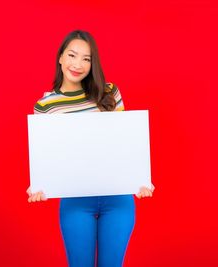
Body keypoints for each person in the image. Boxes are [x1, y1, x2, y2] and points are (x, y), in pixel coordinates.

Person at [26, 29, 155, 267]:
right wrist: (40, 184)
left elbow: (124, 144)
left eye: (86, 59)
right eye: (72, 55)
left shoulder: (109, 92)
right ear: (61, 57)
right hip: (76, 202)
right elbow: (49, 157)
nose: (78, 64)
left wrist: (140, 178)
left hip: (118, 200)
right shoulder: (45, 106)